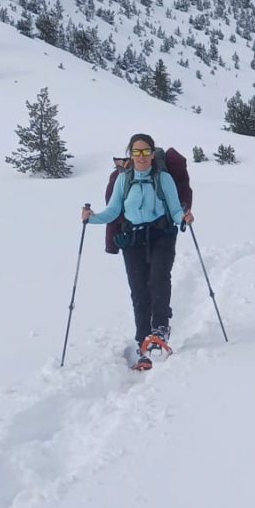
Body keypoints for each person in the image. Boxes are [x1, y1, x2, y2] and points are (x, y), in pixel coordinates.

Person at [81, 134, 193, 369]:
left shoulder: (163, 179)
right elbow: (113, 211)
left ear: (153, 154)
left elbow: (174, 209)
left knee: (158, 279)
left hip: (162, 235)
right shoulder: (124, 180)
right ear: (130, 155)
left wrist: (182, 216)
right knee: (139, 290)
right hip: (132, 239)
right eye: (136, 152)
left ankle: (160, 331)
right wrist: (93, 219)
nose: (141, 157)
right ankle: (144, 342)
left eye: (145, 152)